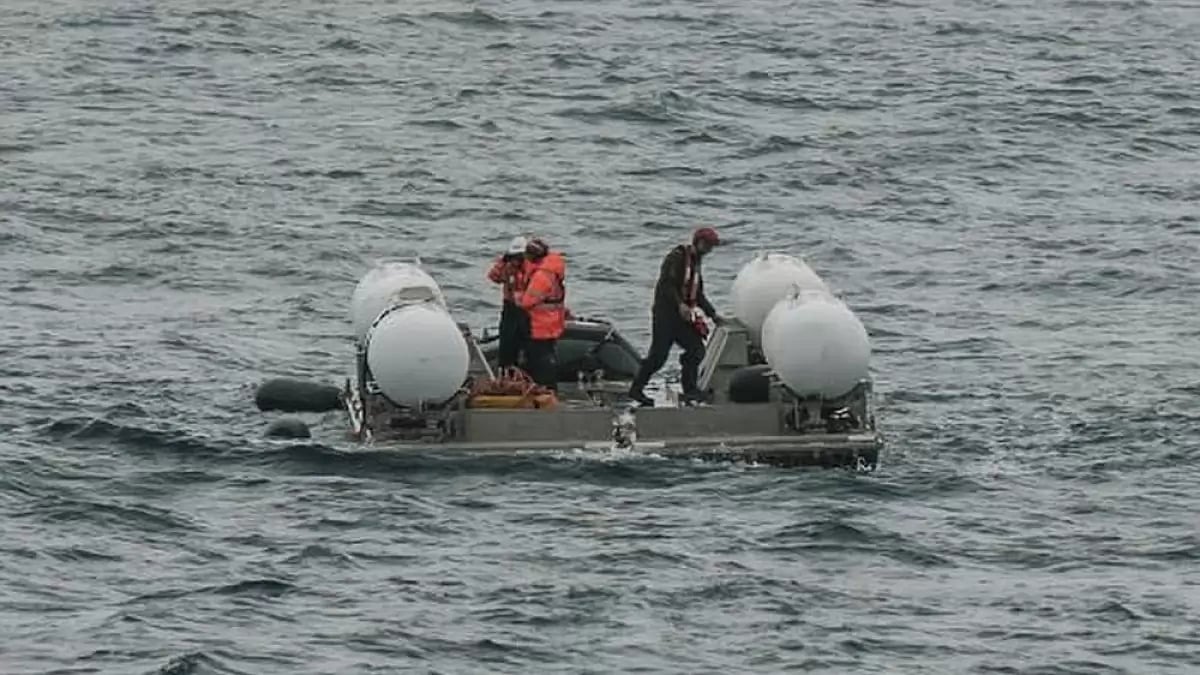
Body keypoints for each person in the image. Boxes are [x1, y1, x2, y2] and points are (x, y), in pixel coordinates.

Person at [628, 227, 725, 407]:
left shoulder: (696, 264)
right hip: (665, 315)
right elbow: (666, 284)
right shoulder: (677, 257)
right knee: (658, 356)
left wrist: (713, 315)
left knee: (696, 350)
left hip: (683, 319)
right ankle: (636, 388)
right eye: (708, 246)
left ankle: (690, 390)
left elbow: (698, 294)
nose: (710, 250)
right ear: (699, 242)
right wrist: (679, 304)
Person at [516, 237, 567, 390]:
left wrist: (517, 297)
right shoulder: (553, 269)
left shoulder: (542, 275)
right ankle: (546, 387)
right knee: (545, 356)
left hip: (540, 324)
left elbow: (527, 301)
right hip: (552, 322)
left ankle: (545, 389)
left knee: (540, 359)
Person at [486, 236, 532, 370]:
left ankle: (524, 370)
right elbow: (493, 276)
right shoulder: (507, 267)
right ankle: (506, 371)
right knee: (507, 343)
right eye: (514, 256)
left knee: (526, 343)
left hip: (527, 309)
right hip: (510, 308)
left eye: (519, 256)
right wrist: (503, 261)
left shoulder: (530, 268)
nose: (516, 260)